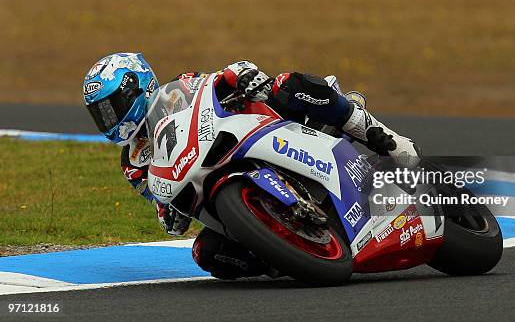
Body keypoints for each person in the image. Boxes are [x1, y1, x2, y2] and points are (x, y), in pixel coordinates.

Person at [83, 52, 420, 279]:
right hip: (212, 185)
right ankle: (286, 253)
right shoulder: (131, 160)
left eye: (112, 108)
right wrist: (168, 213)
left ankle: (378, 133)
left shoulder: (178, 89)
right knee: (206, 254)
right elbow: (160, 203)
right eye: (101, 114)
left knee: (287, 85)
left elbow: (219, 80)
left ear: (137, 88)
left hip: (257, 129)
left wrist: (241, 77)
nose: (108, 120)